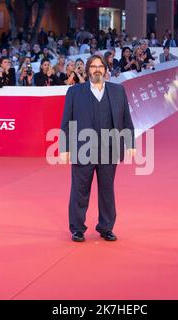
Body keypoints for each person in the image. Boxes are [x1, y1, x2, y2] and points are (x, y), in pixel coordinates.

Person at [59, 54, 136, 243]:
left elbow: (127, 119)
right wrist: (64, 148)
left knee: (107, 190)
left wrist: (130, 143)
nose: (97, 70)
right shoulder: (75, 92)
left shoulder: (118, 91)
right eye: (93, 66)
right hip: (83, 148)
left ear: (105, 69)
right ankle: (77, 229)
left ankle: (106, 227)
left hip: (109, 148)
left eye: (100, 66)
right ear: (88, 70)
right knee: (79, 190)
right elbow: (66, 122)